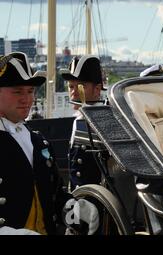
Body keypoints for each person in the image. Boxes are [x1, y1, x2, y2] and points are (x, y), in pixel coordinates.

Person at [0, 52, 98, 235]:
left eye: (30, 91)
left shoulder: (39, 142)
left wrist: (72, 208)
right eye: (17, 91)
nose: (26, 99)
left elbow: (54, 197)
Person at [60, 55, 106, 192]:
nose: (74, 92)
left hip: (94, 202)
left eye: (81, 86)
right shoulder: (81, 118)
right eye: (71, 86)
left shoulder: (101, 119)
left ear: (97, 89)